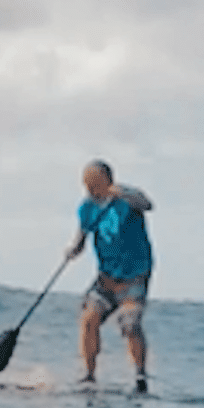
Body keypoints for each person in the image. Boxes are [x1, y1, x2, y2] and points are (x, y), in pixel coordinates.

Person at [65, 159, 154, 391]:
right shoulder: (86, 208)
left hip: (135, 275)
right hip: (106, 277)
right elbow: (81, 238)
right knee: (88, 319)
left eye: (93, 182)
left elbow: (147, 204)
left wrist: (123, 192)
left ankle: (140, 376)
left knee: (130, 324)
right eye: (86, 183)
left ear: (106, 180)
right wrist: (74, 249)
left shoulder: (127, 199)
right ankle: (89, 375)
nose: (89, 188)